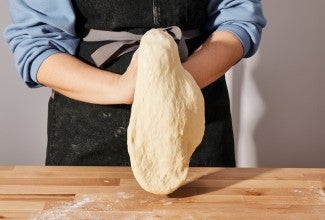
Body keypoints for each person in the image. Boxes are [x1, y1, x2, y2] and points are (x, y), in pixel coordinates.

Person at [4, 0, 266, 166]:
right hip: (88, 130)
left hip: (195, 120)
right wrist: (123, 88)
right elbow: (37, 43)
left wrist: (173, 82)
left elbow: (238, 18)